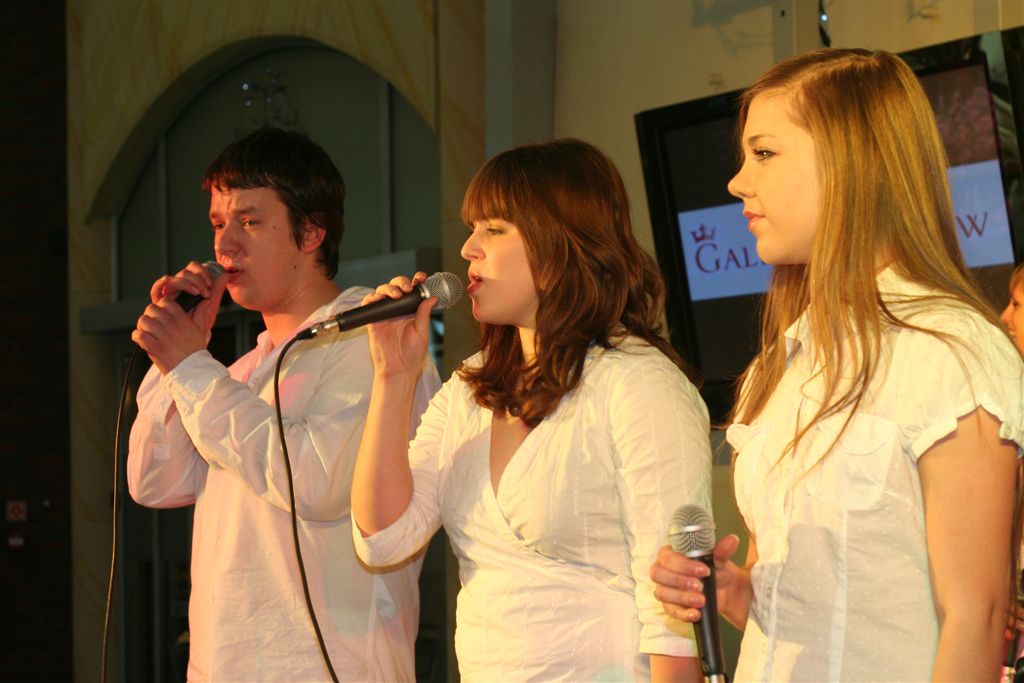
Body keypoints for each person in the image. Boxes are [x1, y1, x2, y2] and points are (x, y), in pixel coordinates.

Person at [649, 48, 1024, 682]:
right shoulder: (784, 362)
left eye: (764, 154)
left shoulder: (951, 350)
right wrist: (732, 592)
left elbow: (977, 618)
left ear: (852, 163)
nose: (738, 182)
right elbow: (821, 610)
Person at [349, 138, 712, 681]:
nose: (469, 248)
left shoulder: (637, 383)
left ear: (560, 244)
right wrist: (392, 378)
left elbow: (675, 615)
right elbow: (383, 538)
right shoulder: (468, 390)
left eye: (494, 229)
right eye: (471, 228)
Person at [127, 128, 439, 682]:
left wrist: (193, 370)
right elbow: (154, 481)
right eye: (218, 224)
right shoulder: (241, 373)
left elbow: (315, 483)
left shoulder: (374, 341)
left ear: (312, 231)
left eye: (249, 221)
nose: (225, 247)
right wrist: (176, 362)